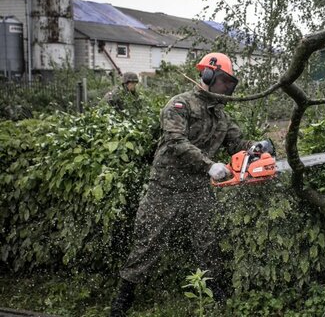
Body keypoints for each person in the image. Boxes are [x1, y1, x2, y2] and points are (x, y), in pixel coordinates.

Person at [109, 53, 273, 316]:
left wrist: (255, 148)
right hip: (166, 185)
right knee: (148, 240)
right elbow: (176, 141)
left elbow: (236, 142)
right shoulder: (180, 105)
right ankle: (123, 298)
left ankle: (215, 288)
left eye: (229, 84)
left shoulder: (220, 116)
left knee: (208, 240)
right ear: (207, 76)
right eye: (222, 82)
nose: (225, 88)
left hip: (197, 187)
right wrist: (209, 165)